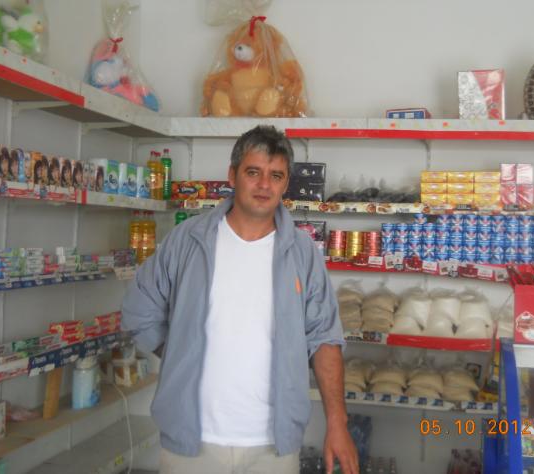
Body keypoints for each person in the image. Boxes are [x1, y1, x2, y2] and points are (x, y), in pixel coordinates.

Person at [122, 125, 358, 474]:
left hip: (273, 448)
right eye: (253, 172)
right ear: (232, 175)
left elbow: (324, 340)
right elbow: (139, 309)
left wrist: (337, 423)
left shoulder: (303, 253)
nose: (264, 185)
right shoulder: (188, 240)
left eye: (276, 175)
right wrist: (180, 353)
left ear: (286, 184)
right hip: (191, 443)